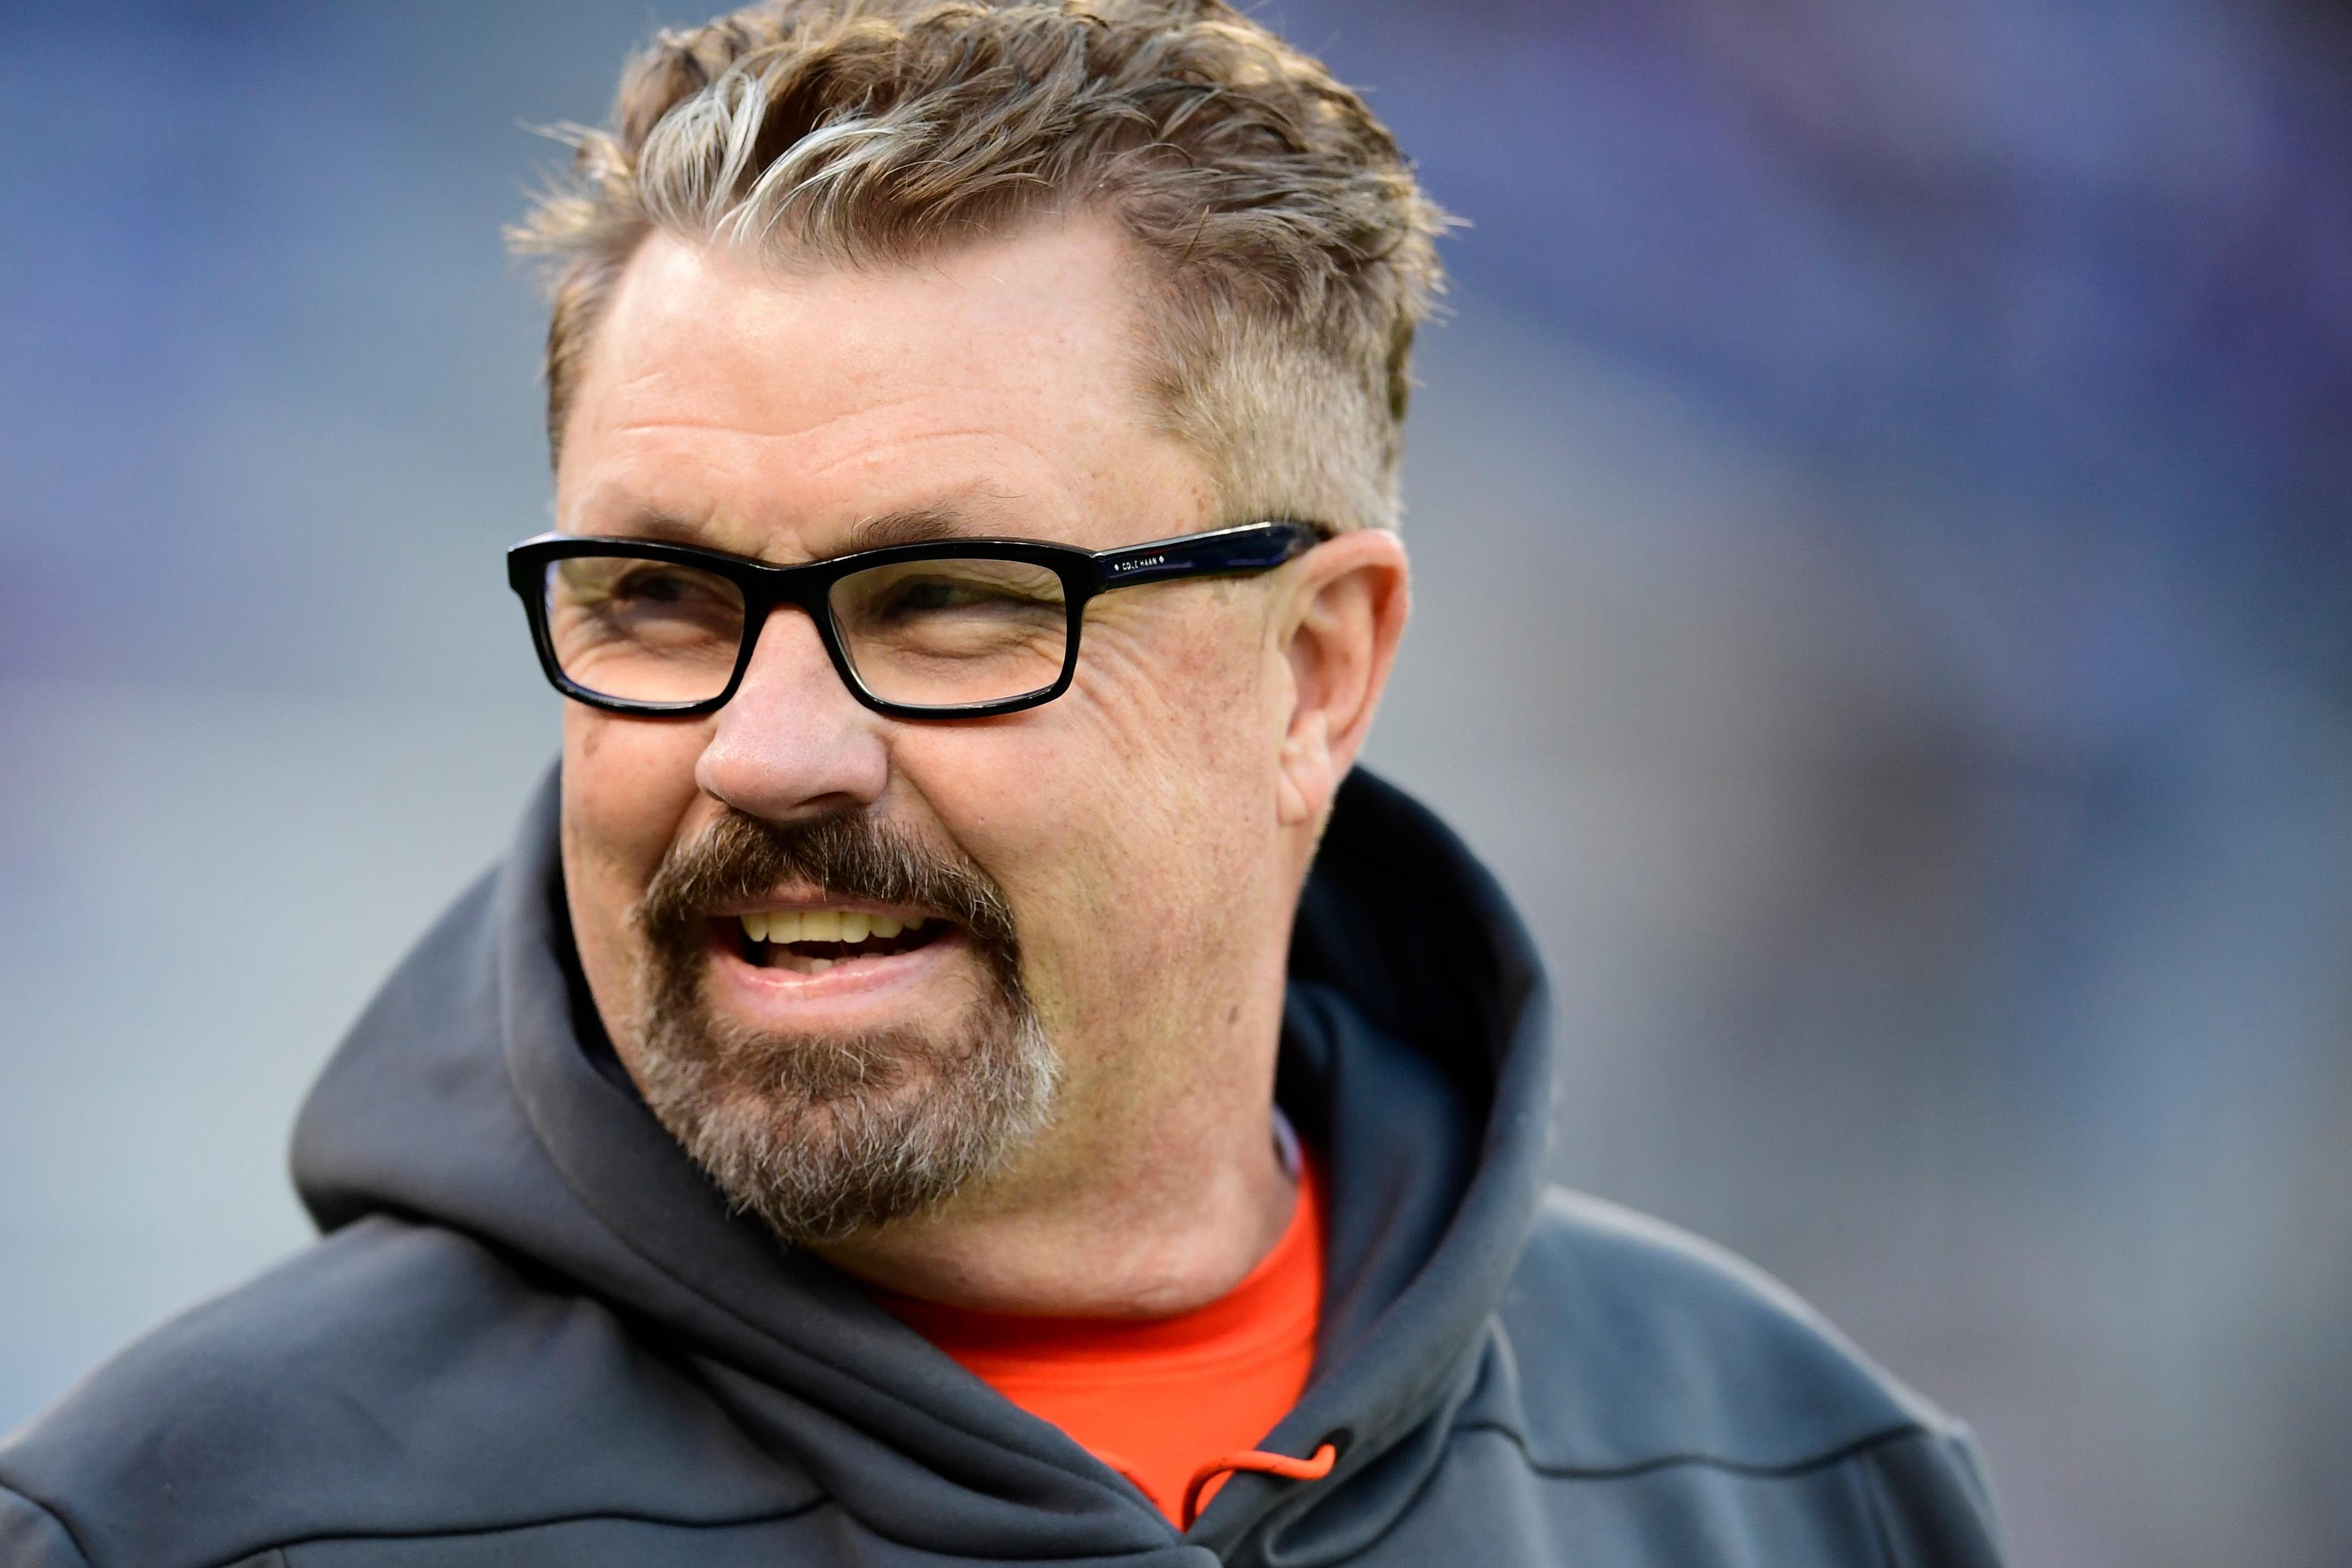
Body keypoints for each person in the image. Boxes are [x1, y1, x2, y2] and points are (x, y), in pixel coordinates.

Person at [0, 3, 2005, 1563]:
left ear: (1318, 671)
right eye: (661, 597)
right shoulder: (188, 1524)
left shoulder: (1791, 1477)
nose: (768, 751)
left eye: (951, 601)